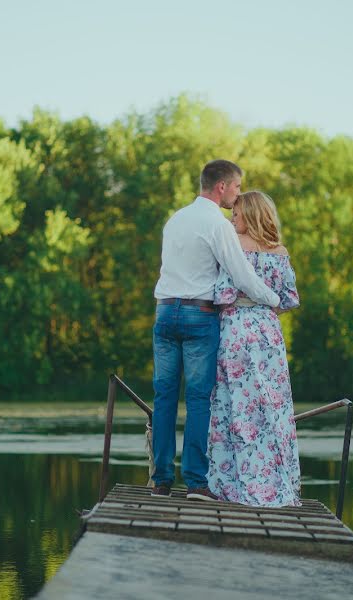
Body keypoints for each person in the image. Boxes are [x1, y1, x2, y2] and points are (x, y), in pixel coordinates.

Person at [151, 160, 281, 501]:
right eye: (237, 187)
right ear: (221, 186)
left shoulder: (175, 219)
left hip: (164, 312)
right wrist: (272, 298)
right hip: (198, 316)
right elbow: (241, 275)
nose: (238, 194)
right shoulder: (218, 225)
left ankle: (161, 481)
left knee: (164, 397)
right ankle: (195, 482)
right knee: (197, 400)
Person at [207, 190, 302, 507]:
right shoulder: (280, 251)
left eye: (236, 214)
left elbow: (221, 293)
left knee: (234, 406)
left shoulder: (233, 248)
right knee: (272, 407)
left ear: (251, 215)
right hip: (268, 334)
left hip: (235, 330)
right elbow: (289, 298)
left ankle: (232, 484)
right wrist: (264, 309)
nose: (232, 219)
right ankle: (275, 483)